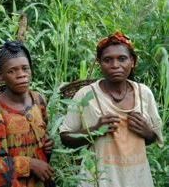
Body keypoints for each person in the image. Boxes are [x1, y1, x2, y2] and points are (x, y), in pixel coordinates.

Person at [59, 31, 163, 187]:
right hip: (96, 180)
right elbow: (65, 137)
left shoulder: (144, 93)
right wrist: (95, 130)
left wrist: (147, 132)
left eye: (122, 59)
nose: (115, 65)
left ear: (133, 61)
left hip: (137, 179)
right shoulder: (86, 94)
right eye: (107, 60)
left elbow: (152, 137)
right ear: (99, 63)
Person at [0, 41, 55, 187]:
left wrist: (47, 146)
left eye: (25, 68)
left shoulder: (38, 100)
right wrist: (29, 164)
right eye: (12, 71)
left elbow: (42, 134)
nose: (21, 75)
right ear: (1, 76)